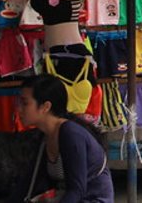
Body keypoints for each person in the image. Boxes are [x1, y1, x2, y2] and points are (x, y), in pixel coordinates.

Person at [16, 74, 113, 203]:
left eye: (25, 103)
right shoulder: (44, 136)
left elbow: (77, 190)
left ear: (46, 107)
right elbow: (29, 182)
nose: (19, 109)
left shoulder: (70, 134)